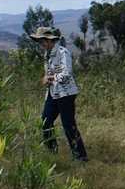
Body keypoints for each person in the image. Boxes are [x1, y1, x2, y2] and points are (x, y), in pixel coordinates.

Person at [30, 26, 88, 162]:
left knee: (68, 124)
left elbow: (67, 74)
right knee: (45, 121)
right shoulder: (47, 54)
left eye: (42, 41)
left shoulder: (63, 52)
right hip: (53, 93)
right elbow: (50, 72)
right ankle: (52, 151)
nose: (41, 44)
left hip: (66, 94)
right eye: (39, 42)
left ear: (49, 40)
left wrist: (50, 78)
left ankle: (80, 157)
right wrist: (47, 78)